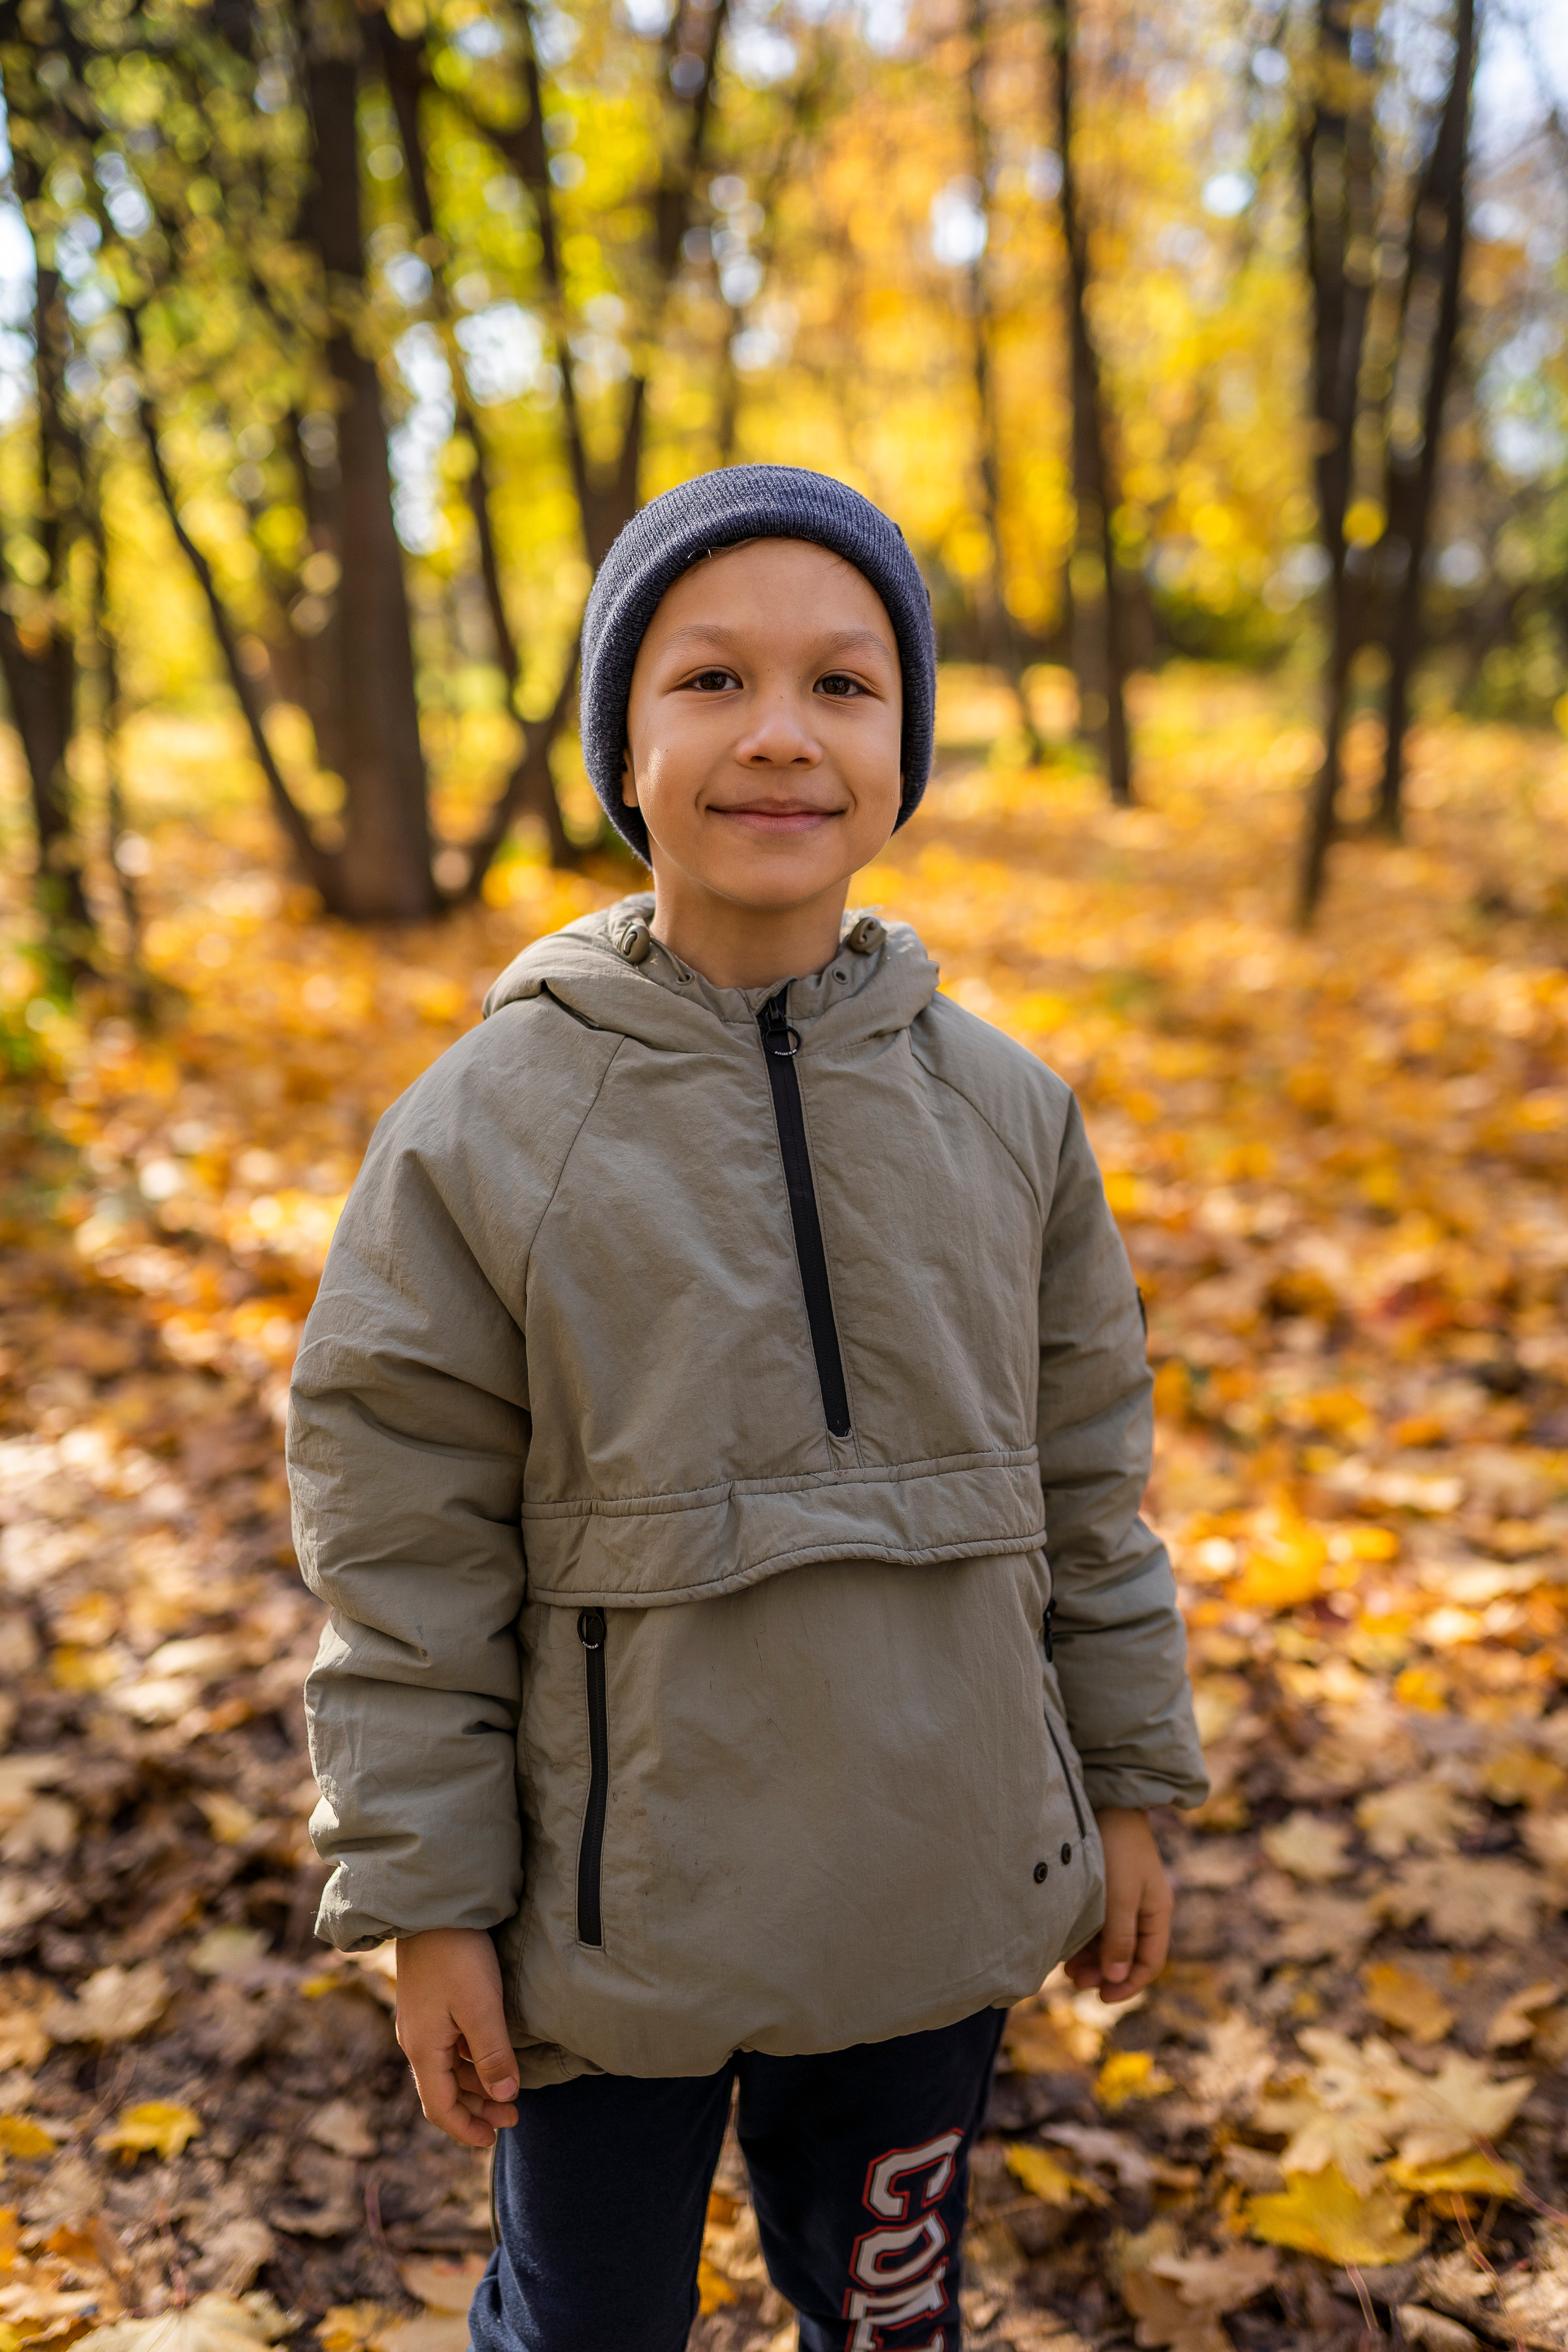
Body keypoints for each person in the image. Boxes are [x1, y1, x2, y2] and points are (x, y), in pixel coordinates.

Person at [287, 465, 1207, 2352]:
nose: (778, 735)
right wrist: (428, 1903)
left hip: (935, 1905)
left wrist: (1122, 1783)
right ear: (621, 742)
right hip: (609, 1936)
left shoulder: (1008, 1112)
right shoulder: (485, 1132)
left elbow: (1088, 1480)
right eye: (708, 681)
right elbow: (402, 1543)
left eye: (843, 686)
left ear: (907, 743)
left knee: (884, 2318)